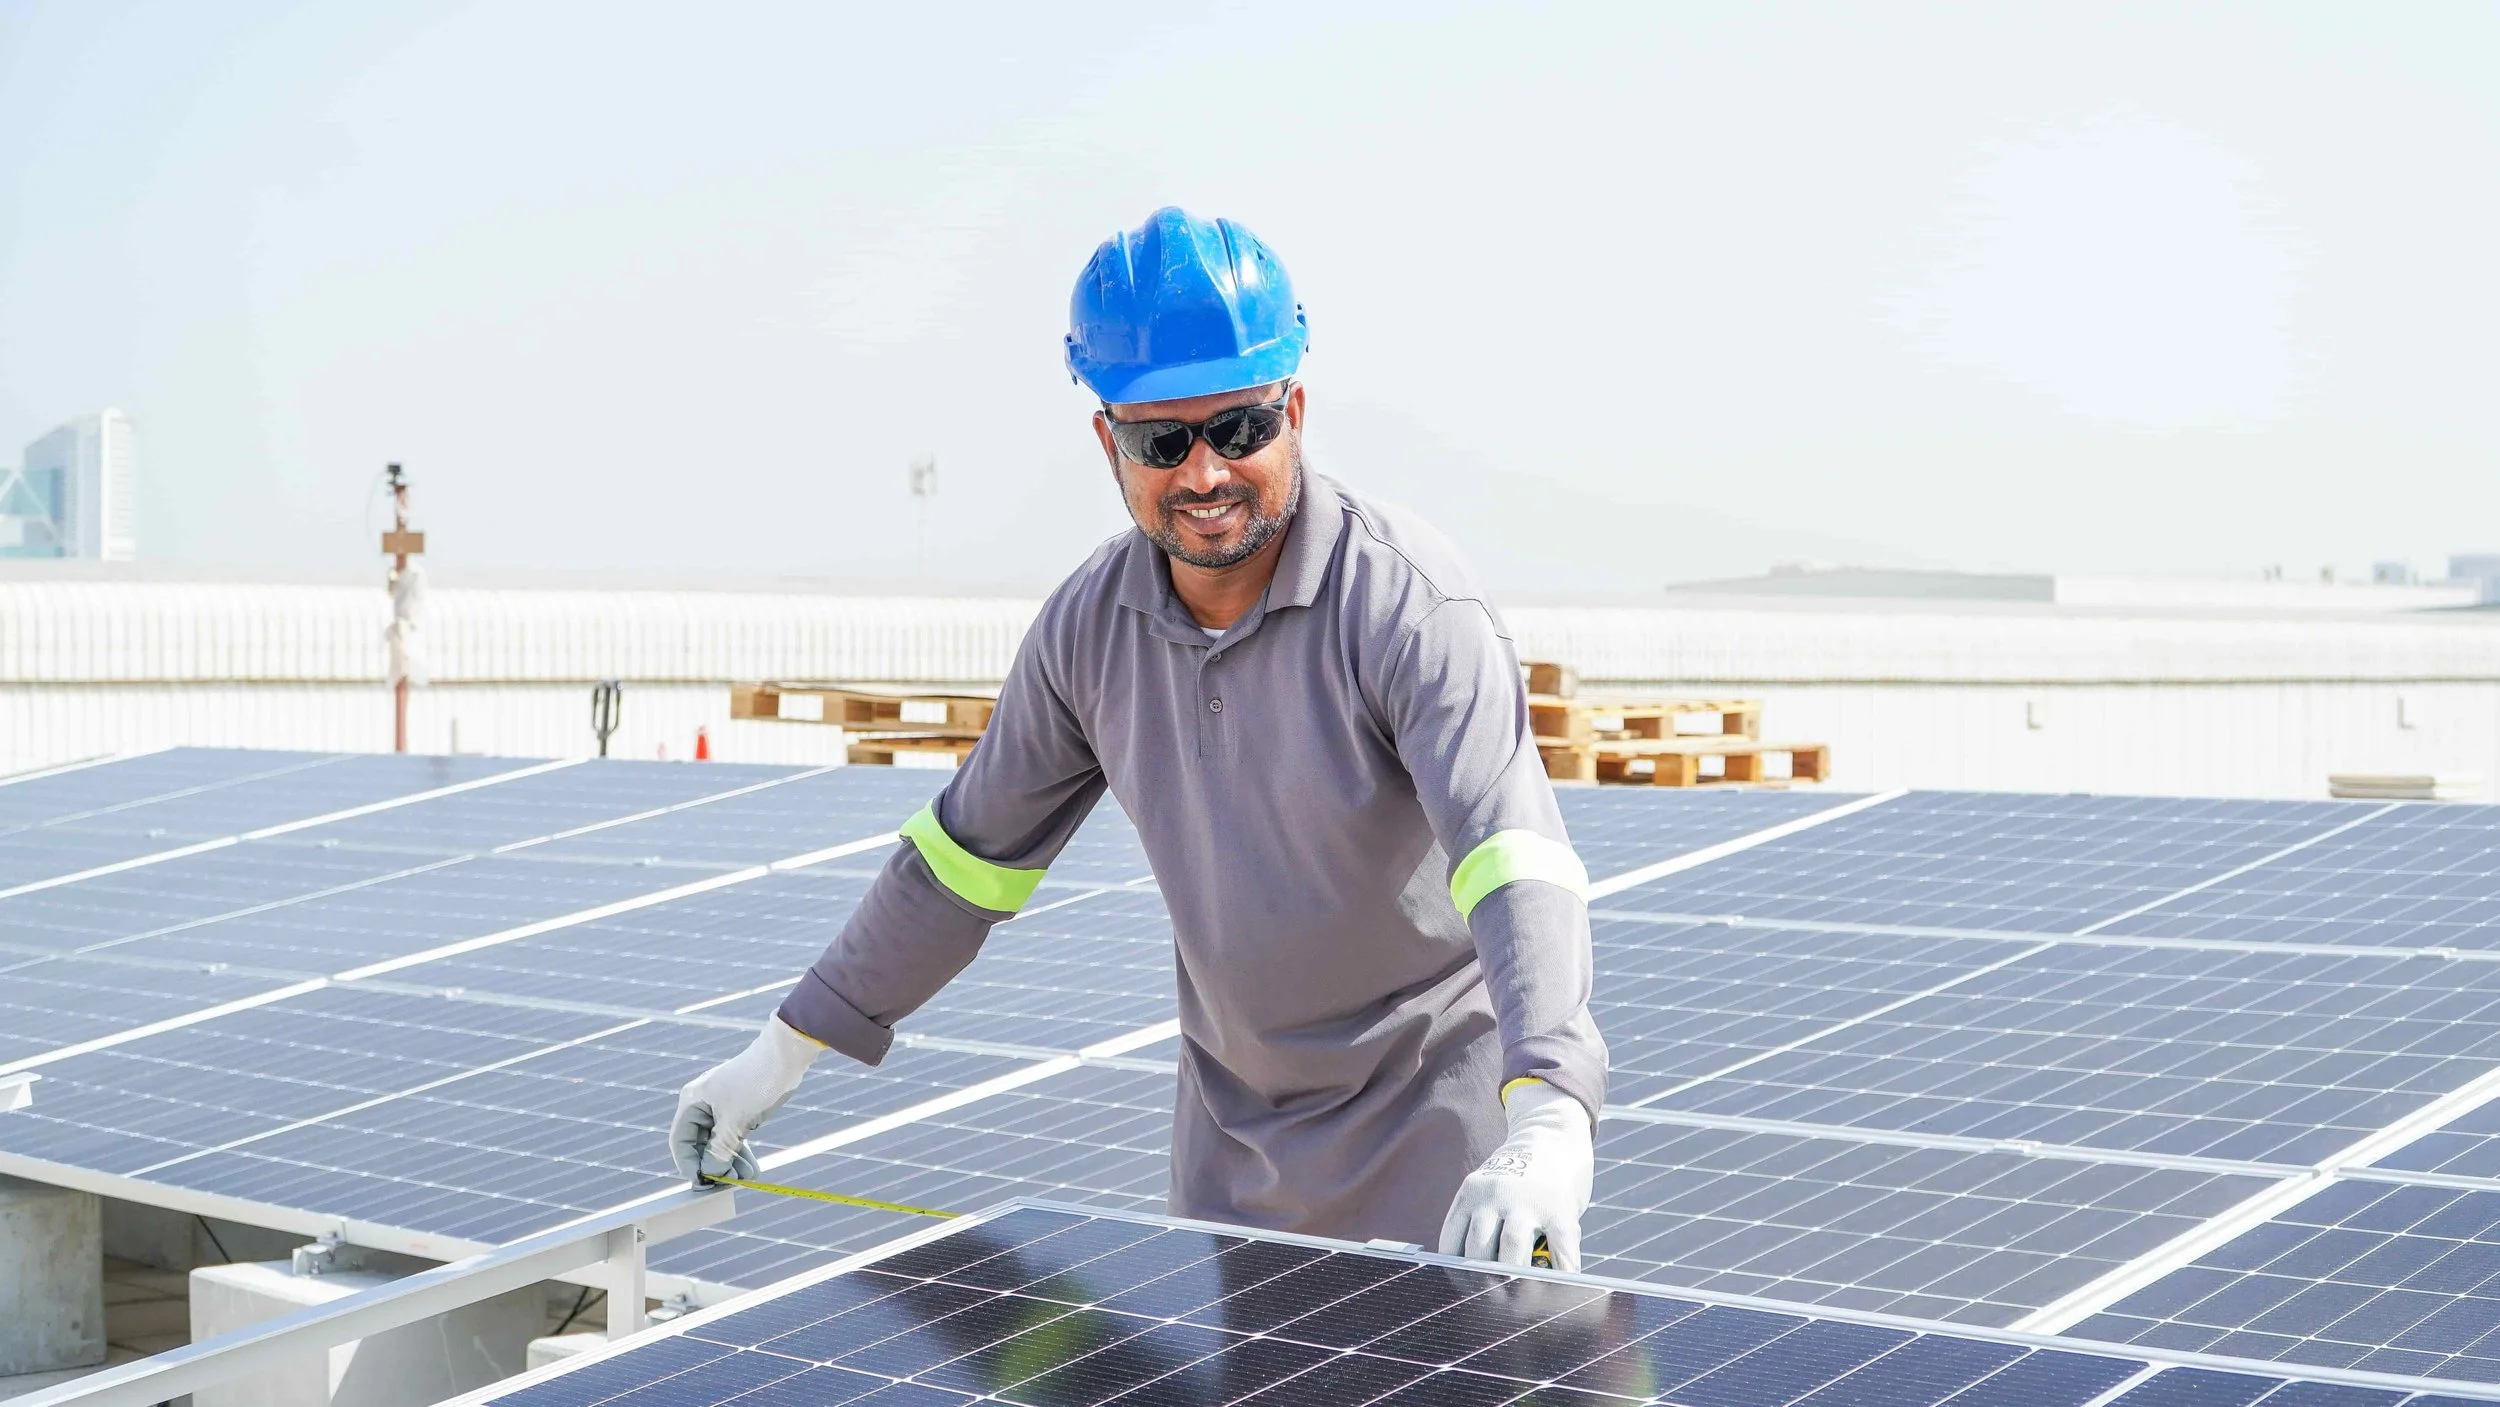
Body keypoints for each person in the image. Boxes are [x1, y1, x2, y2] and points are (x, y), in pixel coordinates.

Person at [671, 206, 1607, 1269]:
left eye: (1240, 429)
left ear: (1295, 411)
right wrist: (781, 1050)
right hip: (1232, 1163)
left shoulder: (1407, 606)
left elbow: (1513, 857)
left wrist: (1549, 1114)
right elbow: (962, 864)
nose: (1204, 475)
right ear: (1107, 443)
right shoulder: (1089, 630)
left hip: (1444, 1158)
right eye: (1163, 441)